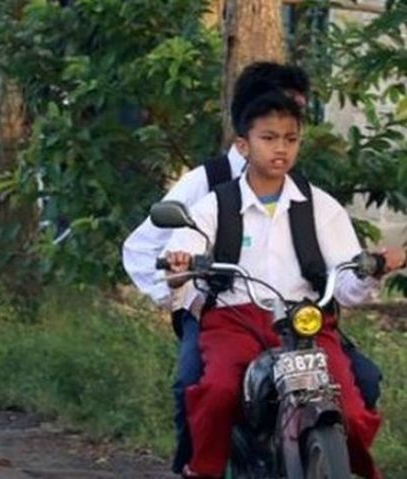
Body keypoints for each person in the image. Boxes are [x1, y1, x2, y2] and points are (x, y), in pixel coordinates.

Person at [122, 62, 383, 475]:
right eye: (270, 131)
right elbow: (166, 250)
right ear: (244, 137)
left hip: (301, 320)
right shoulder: (208, 191)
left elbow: (348, 277)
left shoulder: (315, 202)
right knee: (206, 387)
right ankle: (197, 467)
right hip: (231, 315)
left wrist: (372, 267)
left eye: (292, 132)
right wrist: (183, 291)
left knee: (356, 389)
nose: (282, 143)